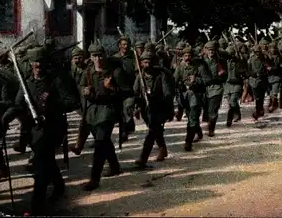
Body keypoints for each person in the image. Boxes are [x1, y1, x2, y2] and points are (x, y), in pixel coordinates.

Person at [15, 47, 80, 215]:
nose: (38, 65)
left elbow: (71, 102)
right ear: (30, 63)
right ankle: (59, 186)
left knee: (40, 166)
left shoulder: (56, 80)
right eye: (35, 62)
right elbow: (17, 105)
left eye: (41, 62)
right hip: (34, 130)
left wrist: (51, 107)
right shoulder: (26, 82)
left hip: (53, 128)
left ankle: (37, 206)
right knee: (47, 160)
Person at [80, 43, 130, 191]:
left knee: (100, 143)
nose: (98, 59)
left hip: (109, 110)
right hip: (93, 111)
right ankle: (115, 166)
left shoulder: (116, 72)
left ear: (105, 55)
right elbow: (82, 87)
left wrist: (112, 88)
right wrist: (85, 92)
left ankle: (94, 179)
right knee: (104, 140)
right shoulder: (88, 72)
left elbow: (127, 92)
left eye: (100, 55)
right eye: (95, 56)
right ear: (90, 57)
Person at [134, 51, 174, 168]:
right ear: (141, 63)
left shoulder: (160, 76)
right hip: (146, 109)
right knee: (155, 129)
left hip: (159, 108)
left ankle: (143, 158)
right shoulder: (140, 77)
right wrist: (137, 107)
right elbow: (135, 93)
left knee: (152, 132)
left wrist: (169, 110)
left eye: (150, 62)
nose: (148, 65)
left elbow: (167, 94)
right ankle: (163, 148)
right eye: (145, 62)